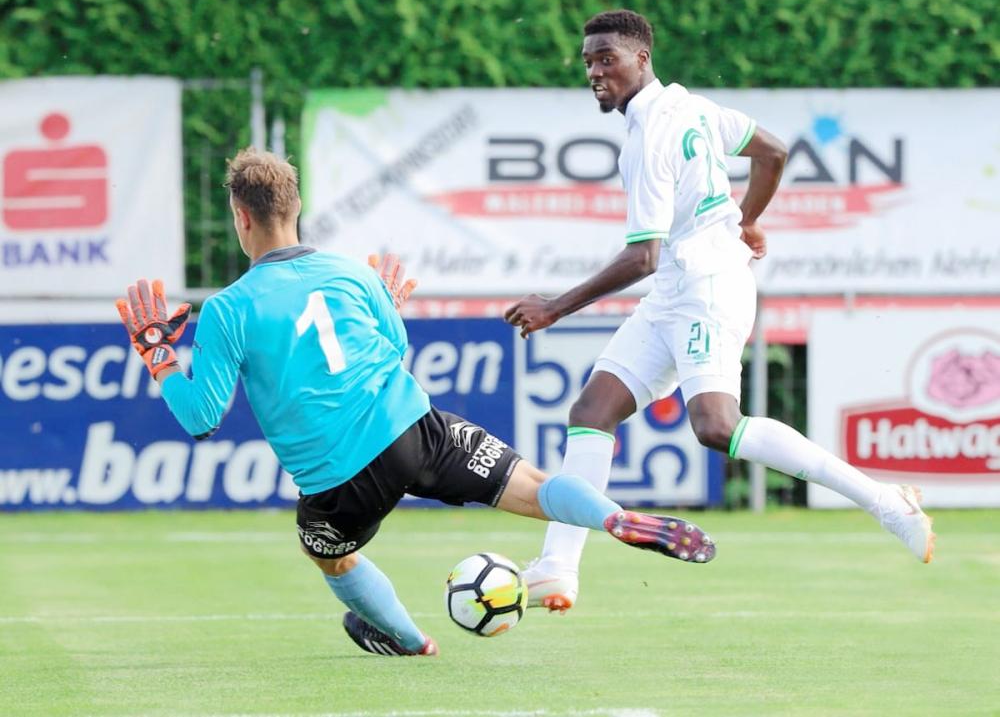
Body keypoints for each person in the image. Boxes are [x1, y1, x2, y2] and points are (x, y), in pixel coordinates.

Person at [115, 147, 717, 658]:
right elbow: (394, 346)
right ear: (295, 209)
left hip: (339, 480)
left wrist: (158, 355)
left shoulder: (228, 308)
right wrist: (383, 303)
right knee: (535, 486)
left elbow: (201, 417)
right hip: (414, 429)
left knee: (329, 556)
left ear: (241, 217)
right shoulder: (353, 274)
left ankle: (410, 640)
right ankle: (612, 517)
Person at [504, 9, 935, 613]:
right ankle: (557, 567)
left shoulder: (651, 136)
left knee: (716, 426)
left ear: (641, 59)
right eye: (589, 62)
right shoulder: (693, 107)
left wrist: (555, 308)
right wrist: (748, 219)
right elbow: (773, 152)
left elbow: (643, 256)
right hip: (677, 289)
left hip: (706, 288)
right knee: (591, 413)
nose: (595, 72)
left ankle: (886, 502)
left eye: (607, 59)